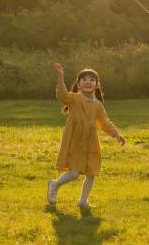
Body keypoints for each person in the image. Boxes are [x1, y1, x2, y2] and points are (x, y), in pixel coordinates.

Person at [47, 63, 125, 209]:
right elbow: (62, 95)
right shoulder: (74, 99)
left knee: (92, 171)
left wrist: (117, 134)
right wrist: (61, 78)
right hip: (75, 140)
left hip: (91, 142)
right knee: (74, 173)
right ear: (79, 84)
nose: (88, 82)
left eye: (91, 80)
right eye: (84, 79)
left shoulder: (98, 105)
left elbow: (105, 122)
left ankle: (83, 201)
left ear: (96, 85)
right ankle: (55, 184)